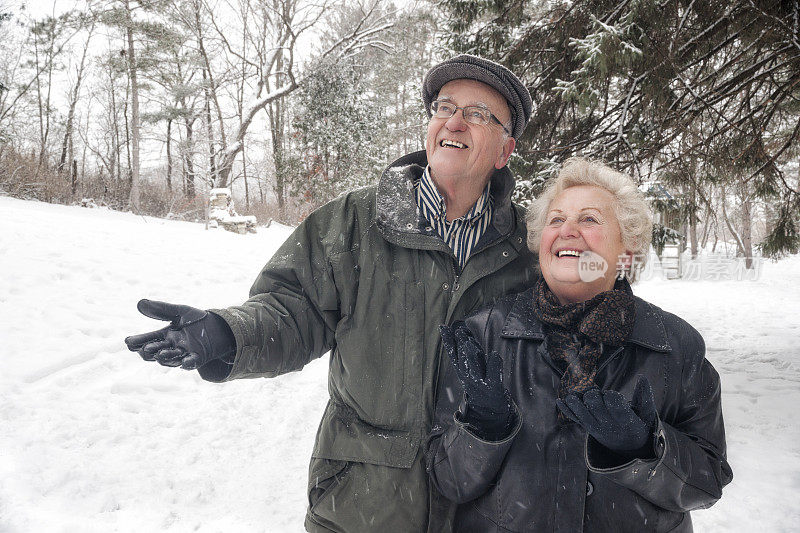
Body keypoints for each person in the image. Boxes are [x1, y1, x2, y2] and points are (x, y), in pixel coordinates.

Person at [124, 54, 538, 532]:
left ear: (504, 151)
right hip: (363, 503)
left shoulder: (531, 246)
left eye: (478, 114)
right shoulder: (356, 220)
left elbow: (582, 314)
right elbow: (293, 308)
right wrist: (226, 333)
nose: (455, 122)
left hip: (485, 508)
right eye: (445, 106)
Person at [428, 158, 733, 532]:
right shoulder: (484, 334)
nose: (567, 230)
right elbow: (448, 482)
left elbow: (708, 483)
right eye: (555, 220)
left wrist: (645, 449)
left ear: (628, 247)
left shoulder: (676, 345)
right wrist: (482, 428)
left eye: (589, 219)